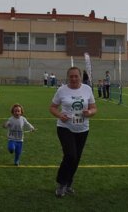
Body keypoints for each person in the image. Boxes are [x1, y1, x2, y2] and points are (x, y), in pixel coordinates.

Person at [50, 66, 97, 197]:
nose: (74, 78)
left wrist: (90, 112)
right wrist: (60, 115)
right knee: (70, 155)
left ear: (80, 77)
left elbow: (94, 108)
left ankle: (68, 183)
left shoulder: (87, 89)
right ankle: (61, 183)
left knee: (76, 158)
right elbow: (53, 107)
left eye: (76, 76)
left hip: (83, 129)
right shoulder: (62, 90)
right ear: (68, 77)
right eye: (71, 76)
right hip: (65, 127)